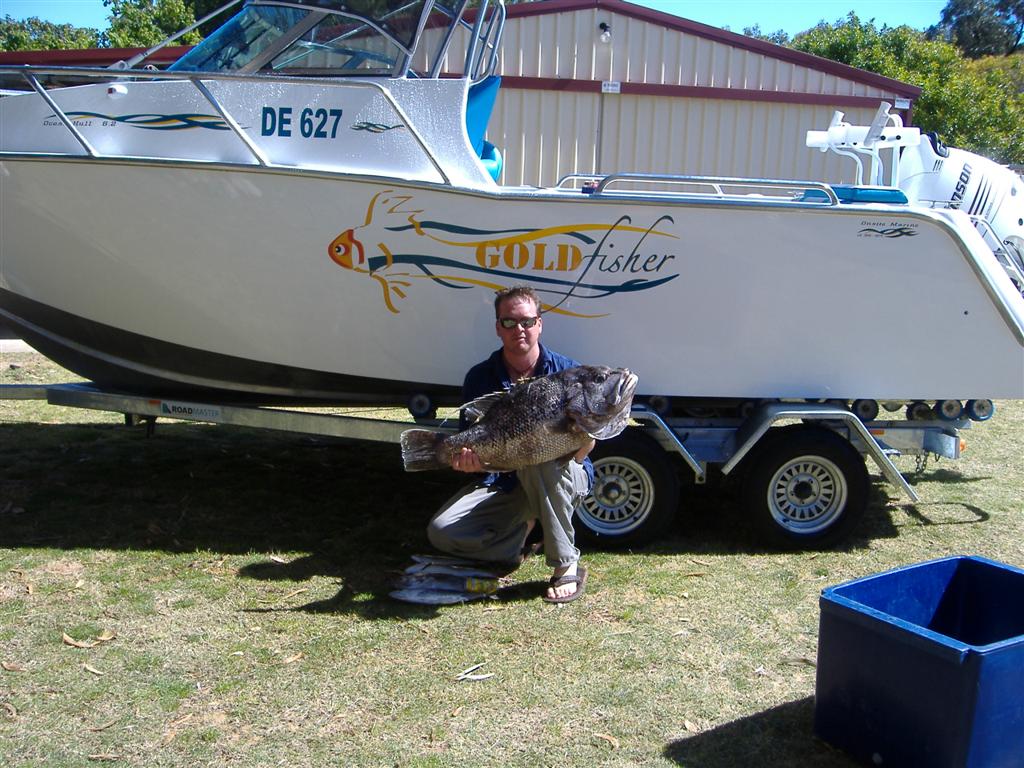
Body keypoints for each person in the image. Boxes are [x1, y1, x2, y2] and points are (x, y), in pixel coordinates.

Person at [426, 286, 594, 603]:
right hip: (505, 480)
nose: (520, 329)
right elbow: (475, 439)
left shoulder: (569, 375)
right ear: (498, 328)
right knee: (442, 531)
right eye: (509, 322)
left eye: (527, 321)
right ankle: (523, 536)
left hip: (562, 475)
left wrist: (586, 436)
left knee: (540, 455)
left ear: (539, 324)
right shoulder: (480, 377)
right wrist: (471, 463)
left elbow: (580, 457)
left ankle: (565, 563)